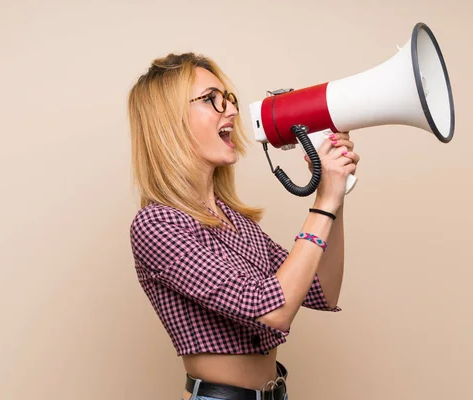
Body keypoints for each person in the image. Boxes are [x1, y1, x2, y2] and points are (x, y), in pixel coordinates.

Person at [127, 52, 360, 400]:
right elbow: (273, 309)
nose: (232, 111)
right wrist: (322, 202)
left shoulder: (234, 221)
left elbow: (321, 291)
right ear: (169, 122)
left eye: (229, 99)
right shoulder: (157, 225)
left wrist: (336, 193)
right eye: (211, 100)